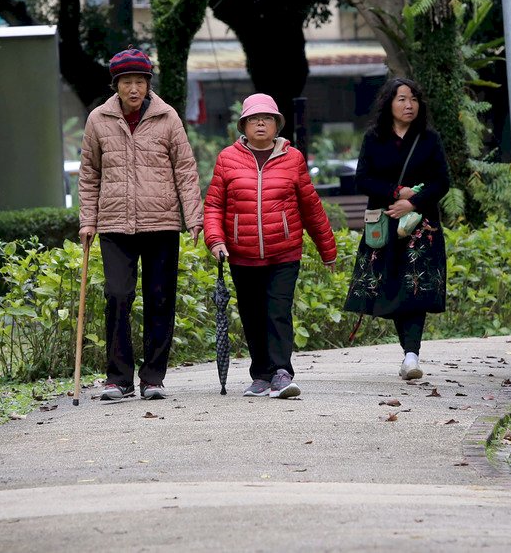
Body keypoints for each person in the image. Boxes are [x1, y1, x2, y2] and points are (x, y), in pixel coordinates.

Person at [78, 46, 204, 400]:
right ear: (116, 85)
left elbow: (186, 170)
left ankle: (152, 378)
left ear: (148, 84)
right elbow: (89, 174)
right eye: (126, 82)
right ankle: (118, 378)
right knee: (118, 295)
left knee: (160, 298)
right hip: (115, 223)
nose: (134, 88)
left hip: (161, 222)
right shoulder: (98, 120)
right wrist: (88, 221)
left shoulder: (168, 118)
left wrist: (194, 217)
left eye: (140, 81)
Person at [204, 93, 337, 399]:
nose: (260, 123)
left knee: (278, 311)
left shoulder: (293, 159)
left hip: (284, 252)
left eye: (267, 119)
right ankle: (261, 374)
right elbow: (214, 206)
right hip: (242, 254)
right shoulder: (227, 158)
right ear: (244, 125)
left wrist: (327, 249)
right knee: (251, 315)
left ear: (277, 124)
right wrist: (216, 240)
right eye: (253, 119)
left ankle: (281, 372)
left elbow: (311, 207)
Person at [344, 77, 450, 380]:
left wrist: (413, 202)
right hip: (384, 225)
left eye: (414, 99)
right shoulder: (374, 138)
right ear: (389, 102)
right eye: (402, 98)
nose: (409, 105)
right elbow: (362, 179)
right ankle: (409, 353)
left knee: (414, 289)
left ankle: (411, 355)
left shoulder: (429, 139)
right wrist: (396, 193)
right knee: (392, 287)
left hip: (421, 227)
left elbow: (442, 181)